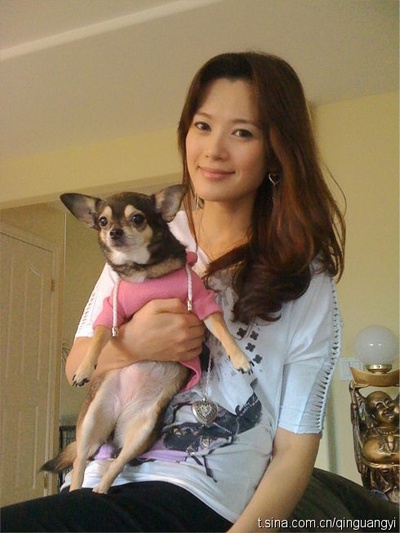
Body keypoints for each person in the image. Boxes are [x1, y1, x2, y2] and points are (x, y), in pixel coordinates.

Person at [2, 51, 346, 532]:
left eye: (242, 133)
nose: (213, 150)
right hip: (96, 482)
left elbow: (296, 446)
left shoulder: (303, 276)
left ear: (276, 151)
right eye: (202, 126)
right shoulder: (141, 237)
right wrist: (137, 343)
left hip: (197, 495)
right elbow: (79, 362)